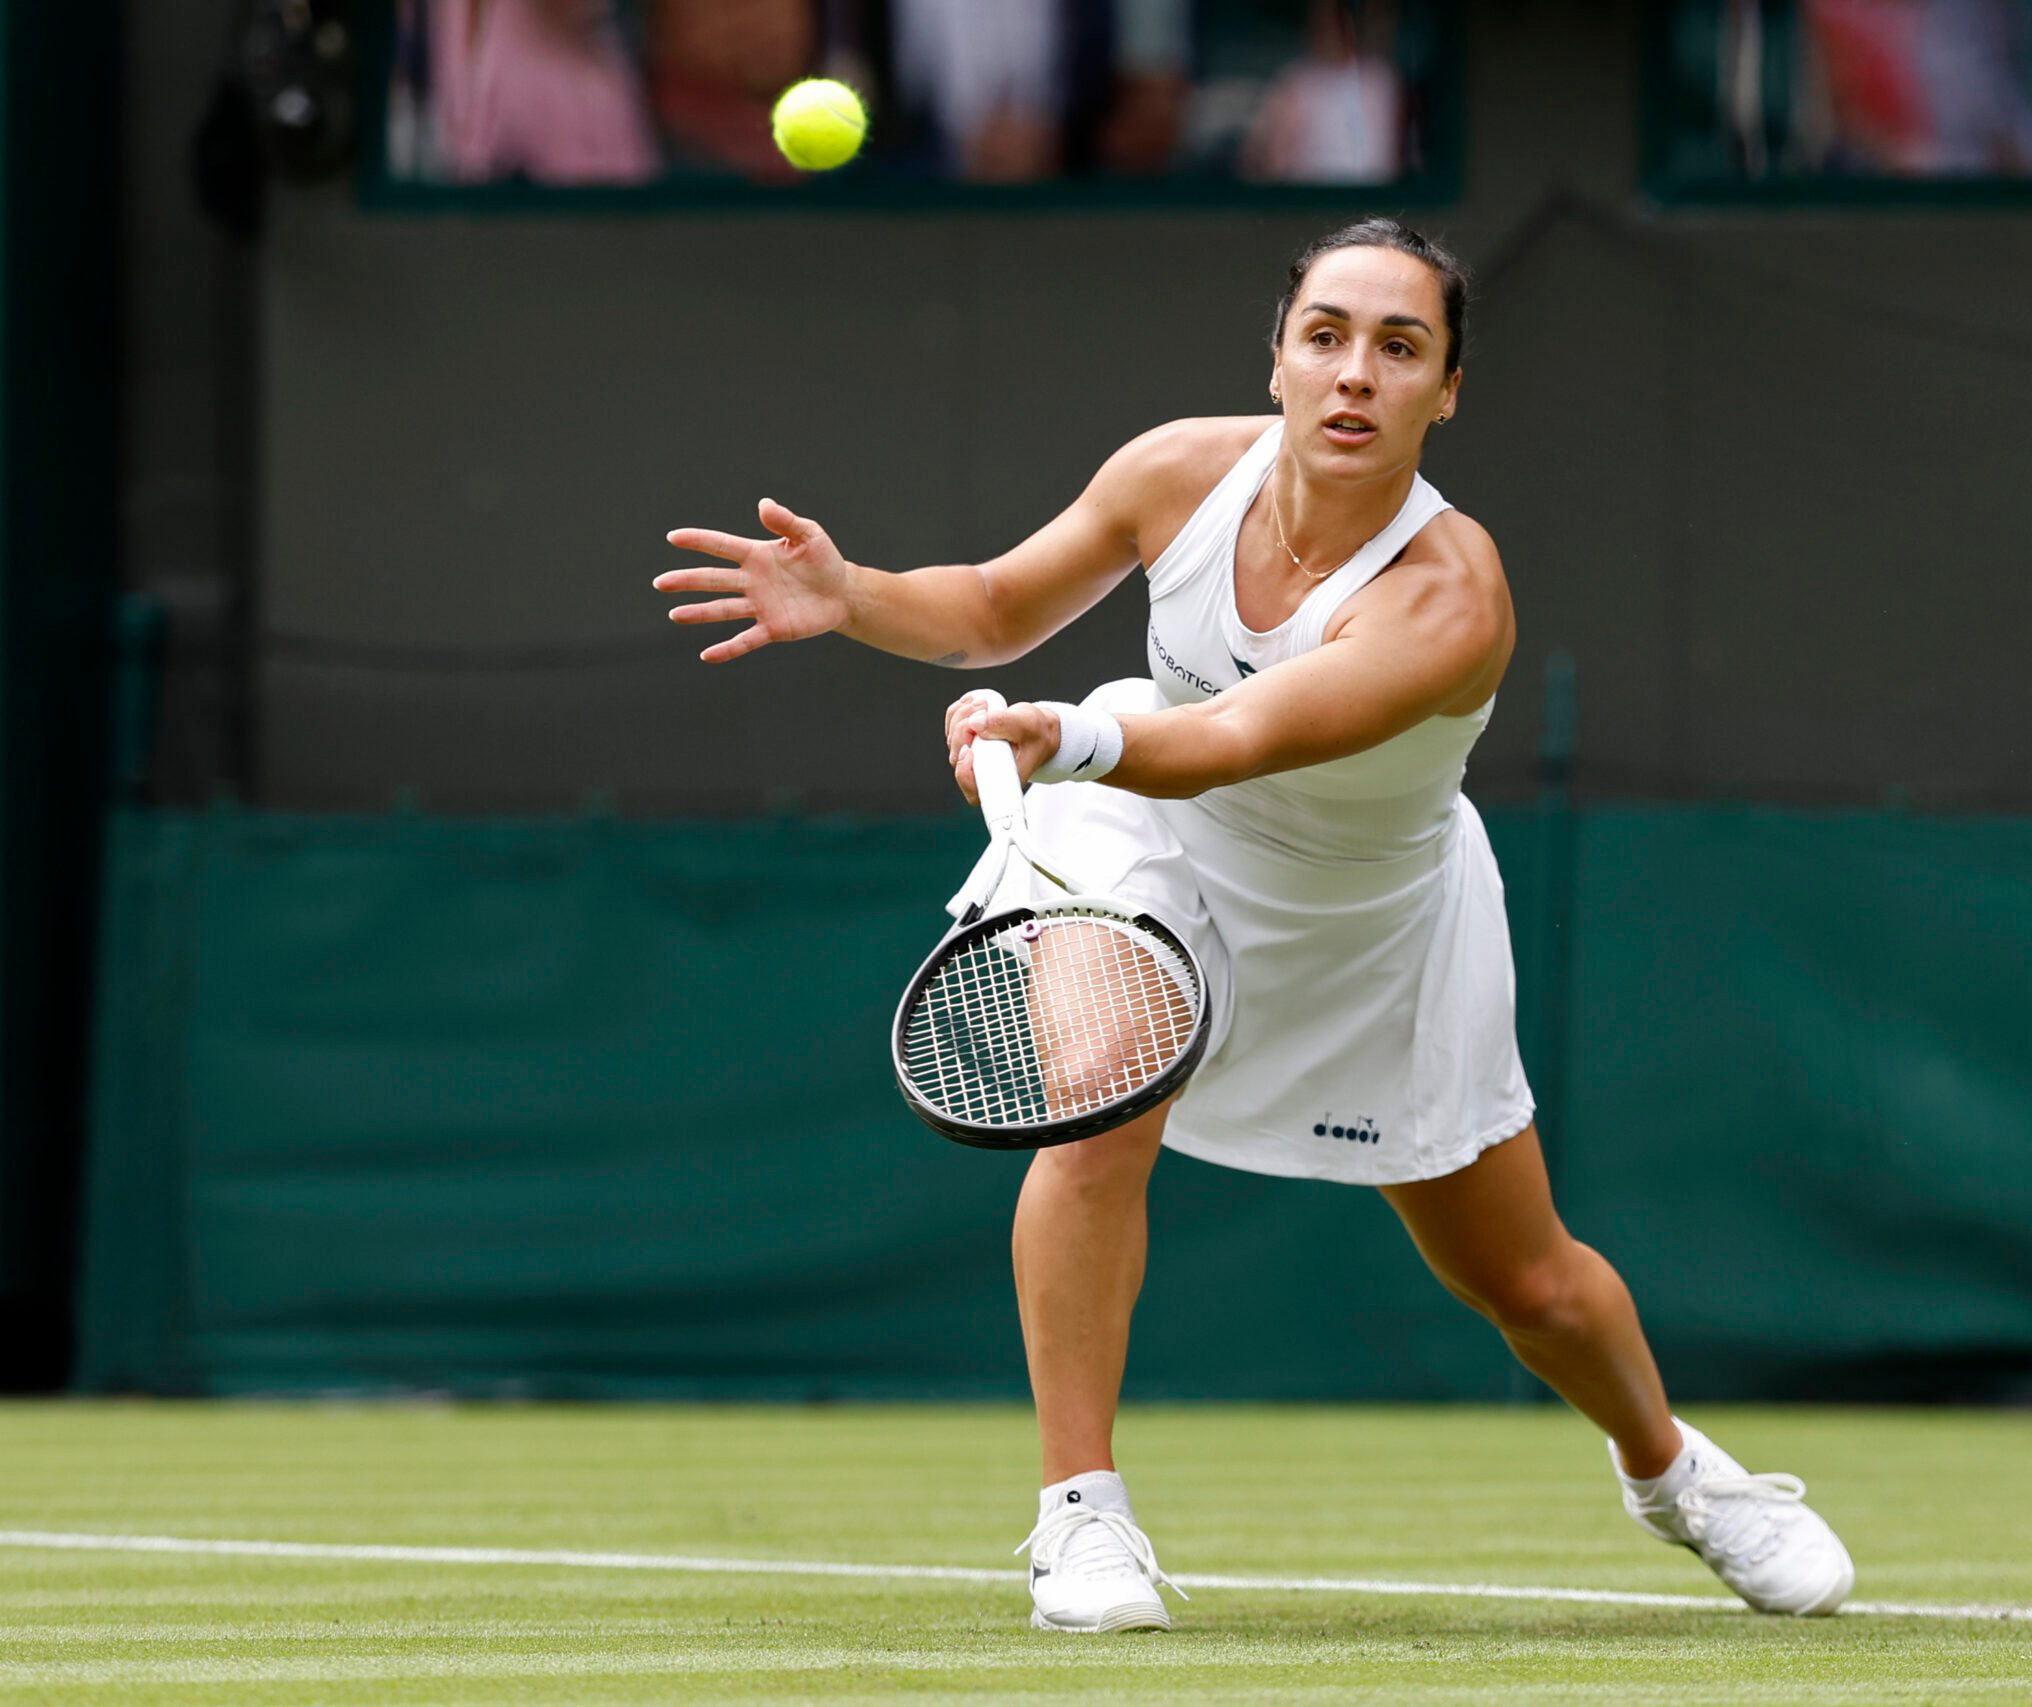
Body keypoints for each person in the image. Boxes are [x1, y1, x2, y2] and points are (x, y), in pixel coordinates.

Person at [655, 219, 1856, 1634]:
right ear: (1280, 358)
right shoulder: (1176, 472)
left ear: (1446, 390)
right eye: (1327, 336)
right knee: (1098, 1104)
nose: (1357, 374)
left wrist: (1072, 735)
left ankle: (1674, 1476)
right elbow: (989, 609)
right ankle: (1079, 1519)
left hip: (1369, 917)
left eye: (1400, 348)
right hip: (1152, 836)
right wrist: (854, 598)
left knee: (1523, 1280)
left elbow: (1240, 734)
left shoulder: (1450, 594)